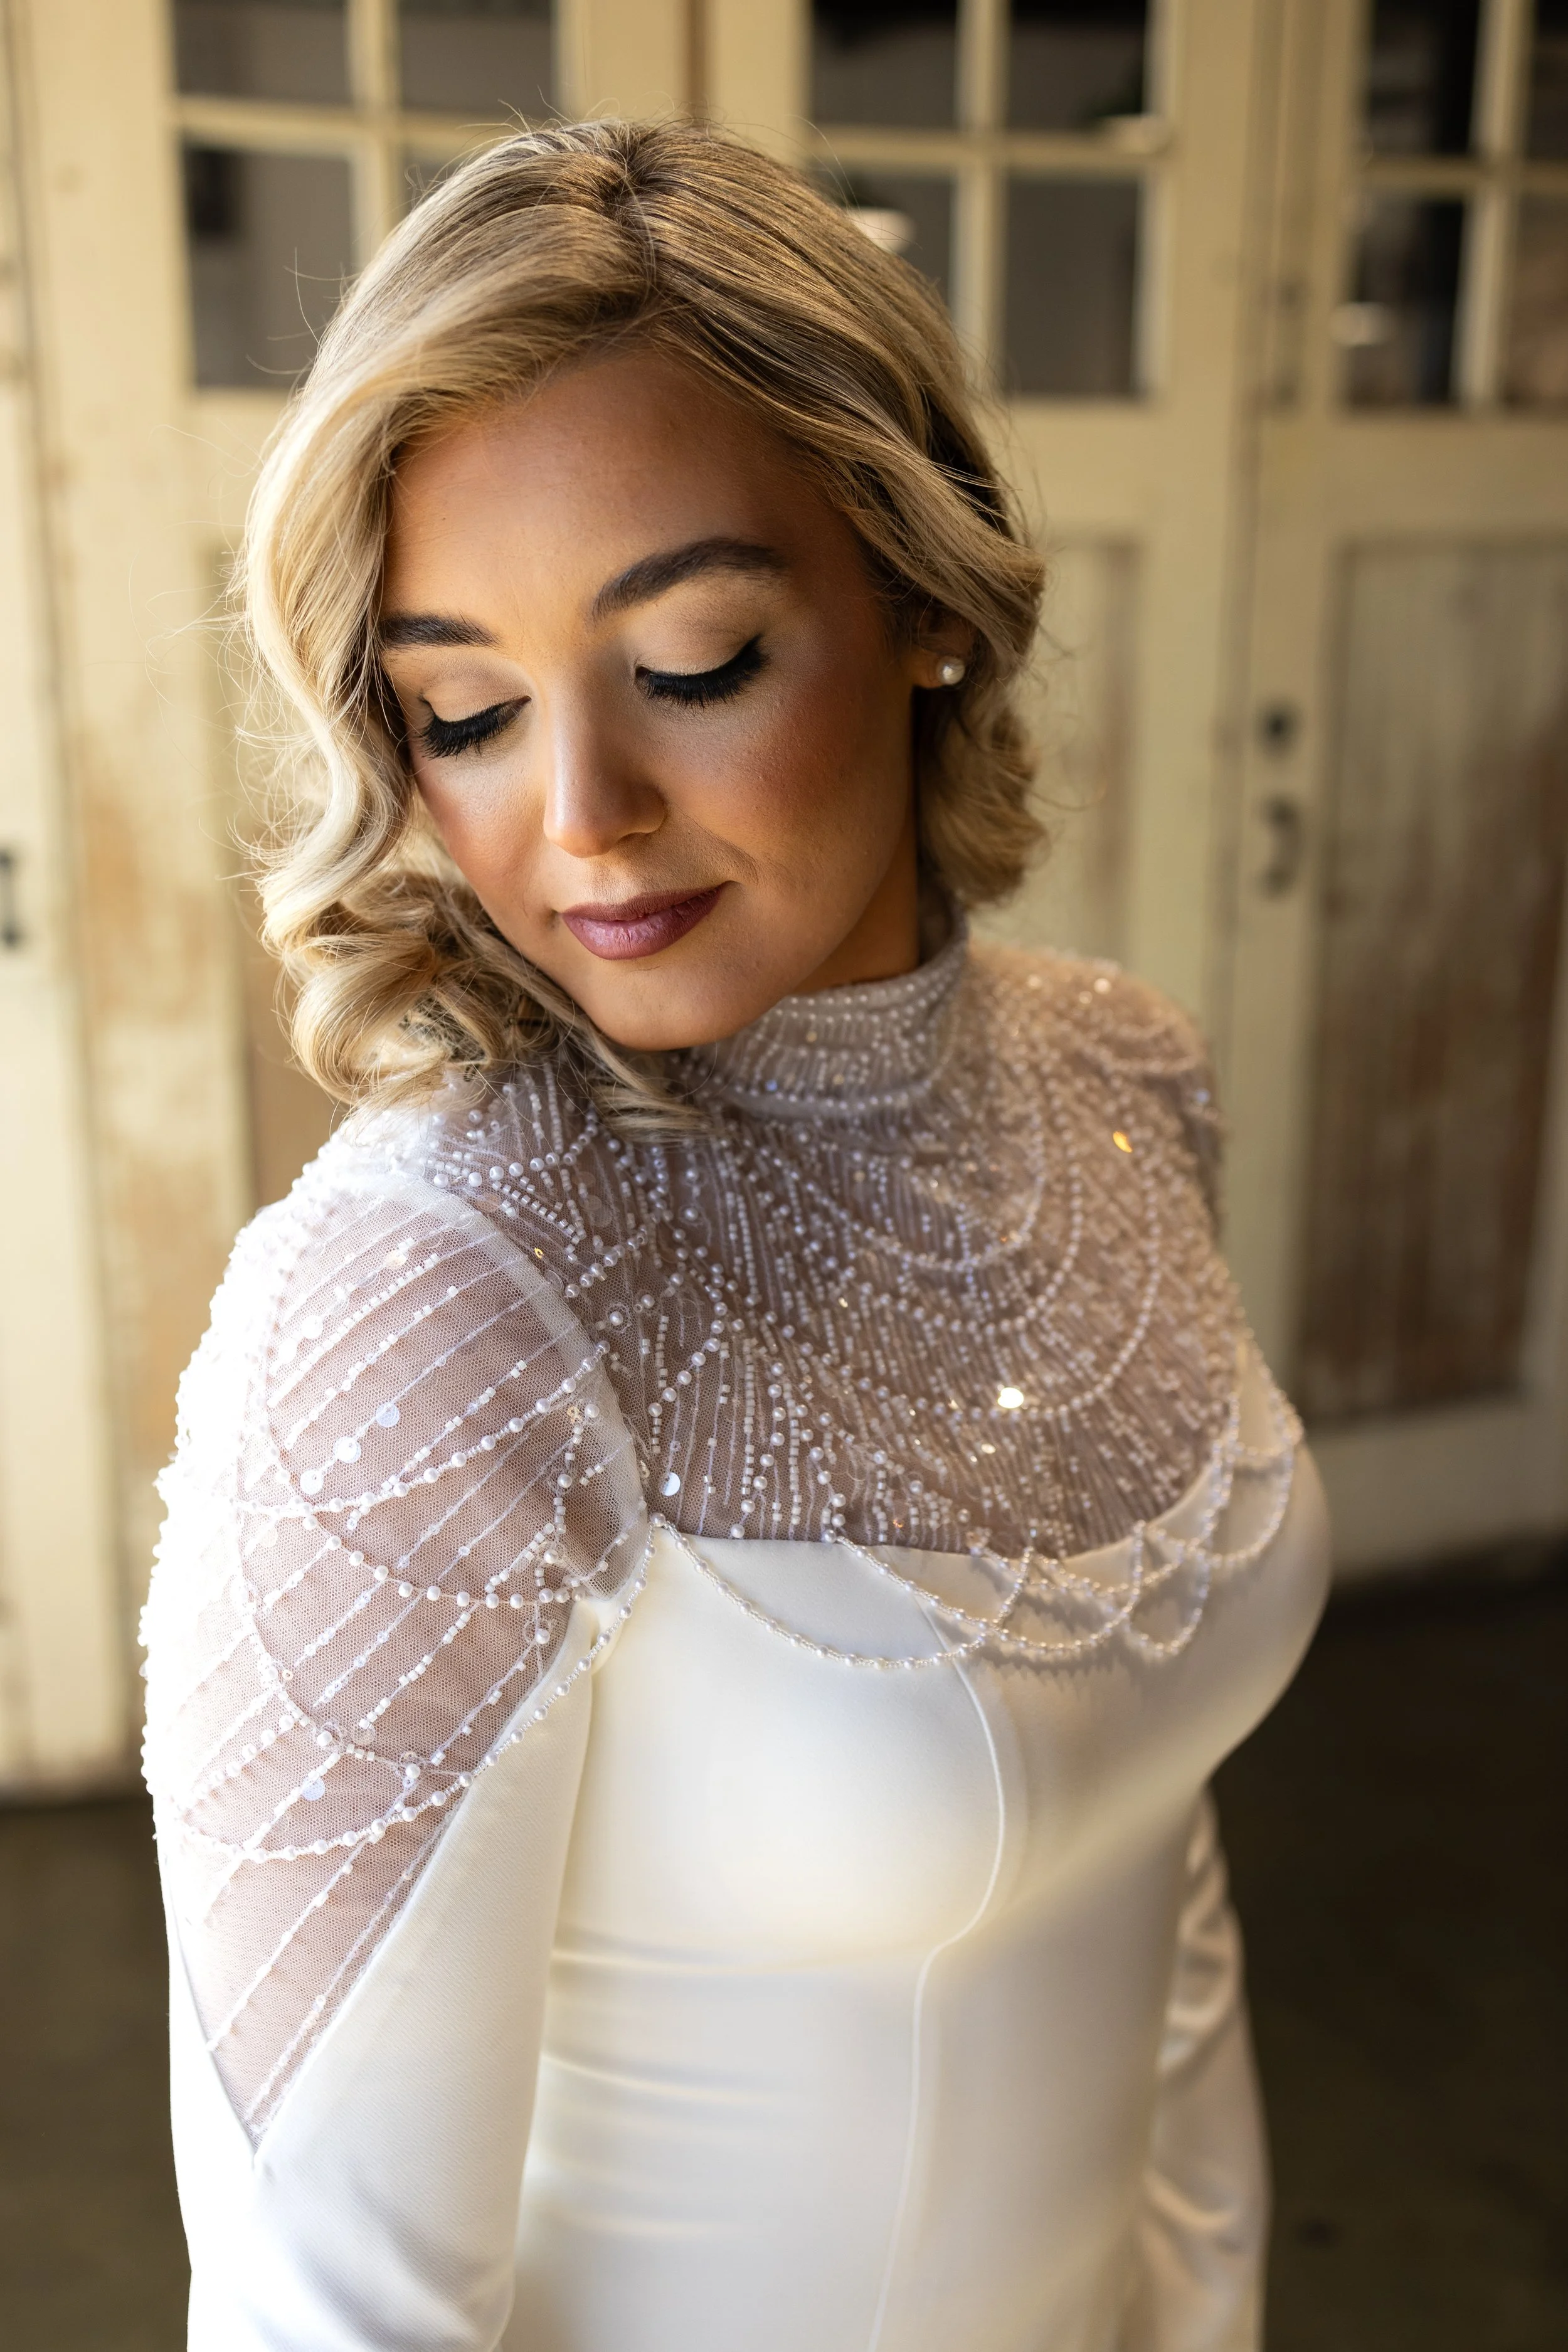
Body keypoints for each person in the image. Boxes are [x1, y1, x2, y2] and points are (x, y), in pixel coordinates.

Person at [142, 119, 1330, 2352]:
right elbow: (326, 2299)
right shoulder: (430, 1304)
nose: (577, 817)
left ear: (923, 598)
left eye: (691, 661)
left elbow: (1153, 1854)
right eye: (464, 709)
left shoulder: (1119, 1077)